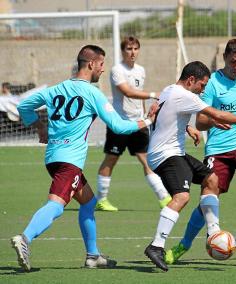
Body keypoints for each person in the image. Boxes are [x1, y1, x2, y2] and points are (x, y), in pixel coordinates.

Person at [11, 44, 156, 272]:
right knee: (57, 205)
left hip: (54, 158)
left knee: (88, 202)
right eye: (101, 65)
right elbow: (118, 126)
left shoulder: (55, 89)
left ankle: (93, 255)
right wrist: (148, 121)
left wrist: (40, 127)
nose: (102, 70)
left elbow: (24, 105)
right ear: (91, 64)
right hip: (69, 161)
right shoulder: (92, 93)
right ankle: (25, 239)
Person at [143, 60, 236, 272]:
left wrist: (187, 127)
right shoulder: (185, 95)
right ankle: (156, 245)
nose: (203, 90)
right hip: (165, 155)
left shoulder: (169, 89)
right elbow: (218, 114)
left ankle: (214, 233)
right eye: (202, 85)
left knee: (211, 179)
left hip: (174, 152)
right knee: (182, 197)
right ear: (191, 80)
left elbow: (163, 112)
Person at [95, 36, 172, 212]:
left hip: (138, 123)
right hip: (119, 123)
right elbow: (128, 92)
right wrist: (154, 94)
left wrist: (145, 115)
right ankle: (101, 200)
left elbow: (138, 96)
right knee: (111, 160)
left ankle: (164, 197)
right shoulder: (117, 70)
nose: (132, 52)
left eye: (136, 48)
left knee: (147, 160)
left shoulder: (141, 70)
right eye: (129, 49)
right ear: (123, 51)